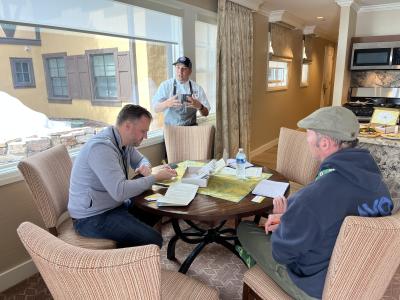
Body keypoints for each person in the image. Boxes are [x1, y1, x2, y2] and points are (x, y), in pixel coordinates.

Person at [237, 106, 393, 299]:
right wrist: (295, 221)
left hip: (318, 288)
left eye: (308, 135)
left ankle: (259, 266)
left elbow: (282, 254)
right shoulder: (380, 185)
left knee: (245, 230)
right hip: (360, 274)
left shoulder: (310, 198)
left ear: (325, 143)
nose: (307, 139)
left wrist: (285, 221)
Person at [68, 104, 177, 248]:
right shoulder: (101, 148)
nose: (145, 136)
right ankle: (121, 261)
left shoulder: (124, 143)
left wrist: (146, 167)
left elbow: (141, 160)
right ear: (127, 126)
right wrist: (155, 177)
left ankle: (128, 243)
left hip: (114, 205)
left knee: (158, 208)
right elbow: (120, 191)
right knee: (154, 240)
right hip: (92, 217)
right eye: (143, 131)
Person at [152, 56, 210, 126]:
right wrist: (167, 103)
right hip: (171, 130)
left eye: (184, 68)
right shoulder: (165, 86)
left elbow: (206, 113)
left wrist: (200, 106)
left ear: (190, 71)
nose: (180, 71)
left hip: (191, 130)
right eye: (178, 67)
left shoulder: (197, 88)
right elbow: (155, 109)